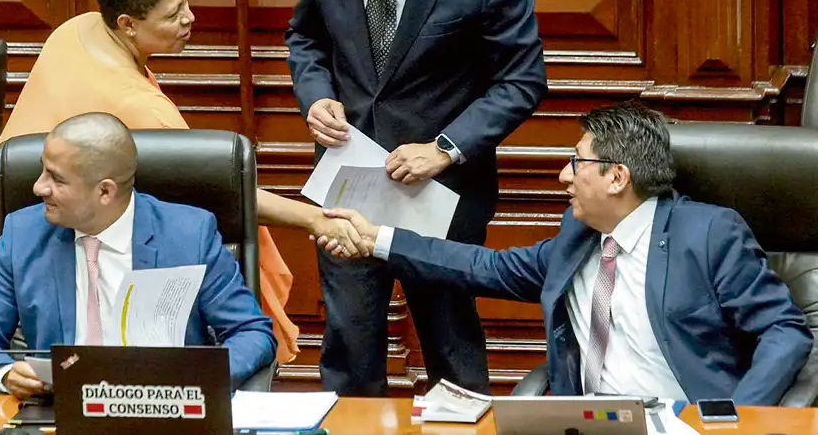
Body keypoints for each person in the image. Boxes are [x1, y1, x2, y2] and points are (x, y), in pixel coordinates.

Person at [0, 0, 364, 363]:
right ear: (128, 23)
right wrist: (315, 218)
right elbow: (225, 193)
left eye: (185, 1)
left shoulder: (76, 30)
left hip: (5, 229)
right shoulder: (140, 109)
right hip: (42, 259)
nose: (190, 19)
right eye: (173, 15)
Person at [316, 102, 813, 405]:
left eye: (578, 162)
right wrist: (378, 237)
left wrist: (736, 421)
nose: (564, 176)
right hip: (589, 424)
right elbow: (481, 266)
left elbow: (784, 330)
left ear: (618, 177)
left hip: (682, 423)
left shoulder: (707, 233)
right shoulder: (579, 239)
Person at [284, 0, 547, 395]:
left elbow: (522, 81)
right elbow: (306, 38)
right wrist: (315, 97)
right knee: (350, 337)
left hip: (439, 188)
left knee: (448, 336)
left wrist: (446, 147)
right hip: (348, 175)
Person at [0, 113, 276, 397]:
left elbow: (252, 333)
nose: (39, 187)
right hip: (59, 409)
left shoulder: (189, 235)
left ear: (105, 191)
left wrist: (199, 381)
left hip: (165, 411)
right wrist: (5, 373)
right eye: (43, 171)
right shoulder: (23, 234)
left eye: (56, 178)